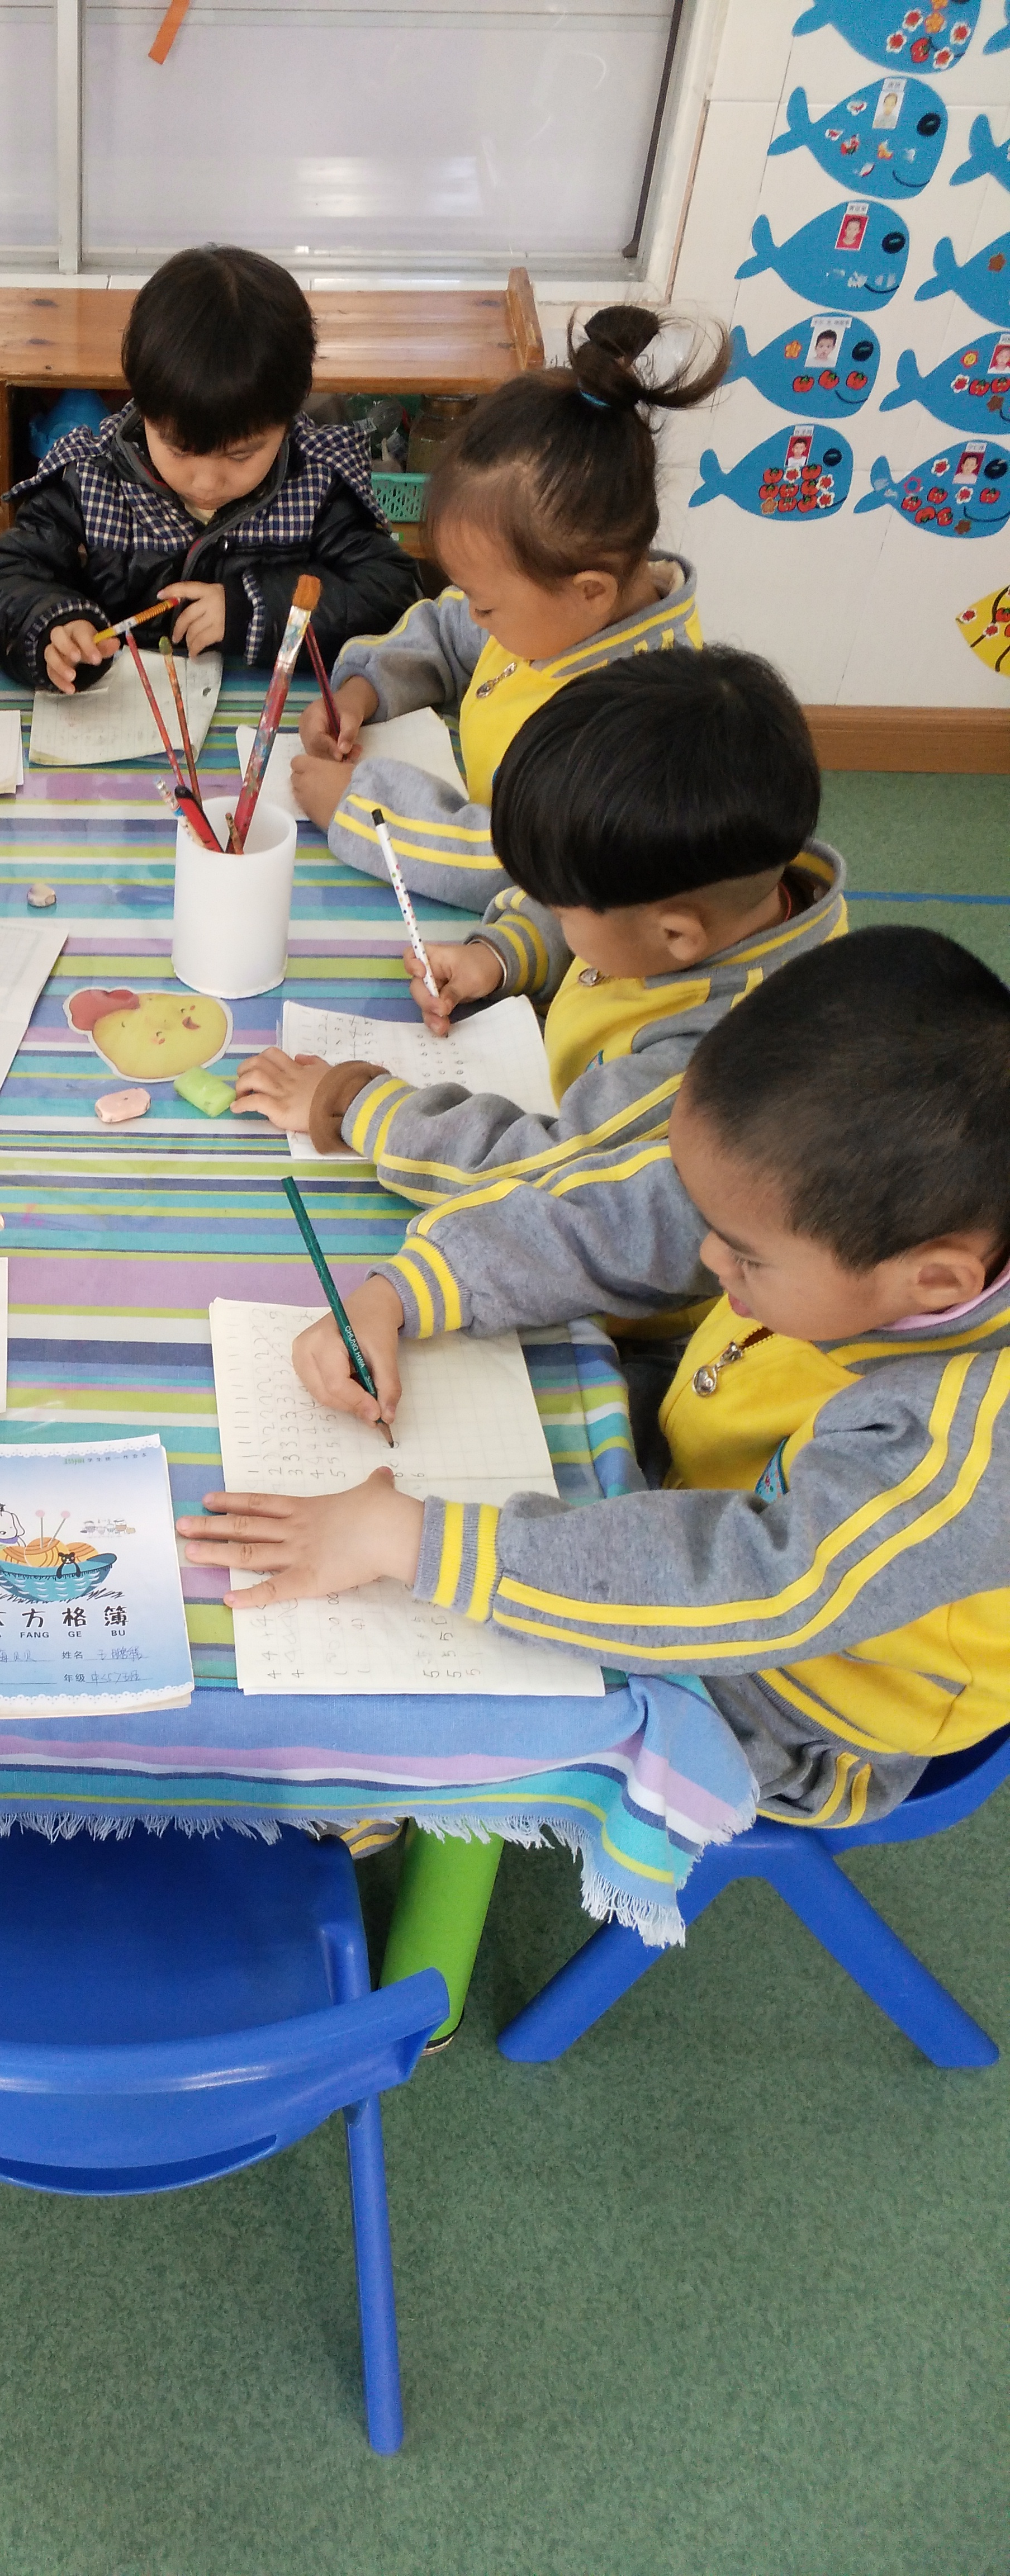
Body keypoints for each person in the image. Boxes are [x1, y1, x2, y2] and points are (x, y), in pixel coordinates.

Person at [182, 930, 1010, 1823]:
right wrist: (414, 1287)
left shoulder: (969, 1445)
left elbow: (751, 1583)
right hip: (690, 1472)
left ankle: (372, 1812)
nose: (706, 1257)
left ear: (936, 1282)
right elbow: (625, 1219)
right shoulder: (833, 1209)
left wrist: (411, 1541)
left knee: (459, 1660)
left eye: (745, 1258)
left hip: (792, 1708)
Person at [236, 650, 846, 1204]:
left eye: (560, 905)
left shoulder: (706, 1074)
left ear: (679, 936)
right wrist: (501, 956)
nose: (546, 907)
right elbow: (607, 926)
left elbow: (536, 1173)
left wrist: (348, 1102)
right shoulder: (723, 895)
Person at [292, 306, 727, 910]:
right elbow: (447, 631)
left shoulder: (634, 731)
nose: (472, 615)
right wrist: (361, 691)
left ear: (591, 590)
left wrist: (361, 809)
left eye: (486, 605)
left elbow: (519, 864)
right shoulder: (565, 608)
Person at [0, 245, 420, 694]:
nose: (206, 482)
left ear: (287, 420)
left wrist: (252, 610)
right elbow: (2, 582)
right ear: (143, 407)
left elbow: (392, 598)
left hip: (270, 717)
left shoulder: (318, 482)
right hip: (123, 719)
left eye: (241, 456)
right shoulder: (90, 478)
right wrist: (50, 627)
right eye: (180, 450)